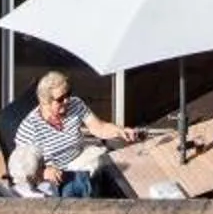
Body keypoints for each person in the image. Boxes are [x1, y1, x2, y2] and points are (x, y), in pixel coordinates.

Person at [7, 70, 137, 198]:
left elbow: (99, 127)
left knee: (116, 168)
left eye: (68, 94)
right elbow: (21, 169)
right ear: (45, 101)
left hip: (81, 158)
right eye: (60, 99)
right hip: (59, 175)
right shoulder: (30, 127)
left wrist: (120, 131)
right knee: (93, 184)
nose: (67, 101)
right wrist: (43, 172)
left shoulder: (75, 104)